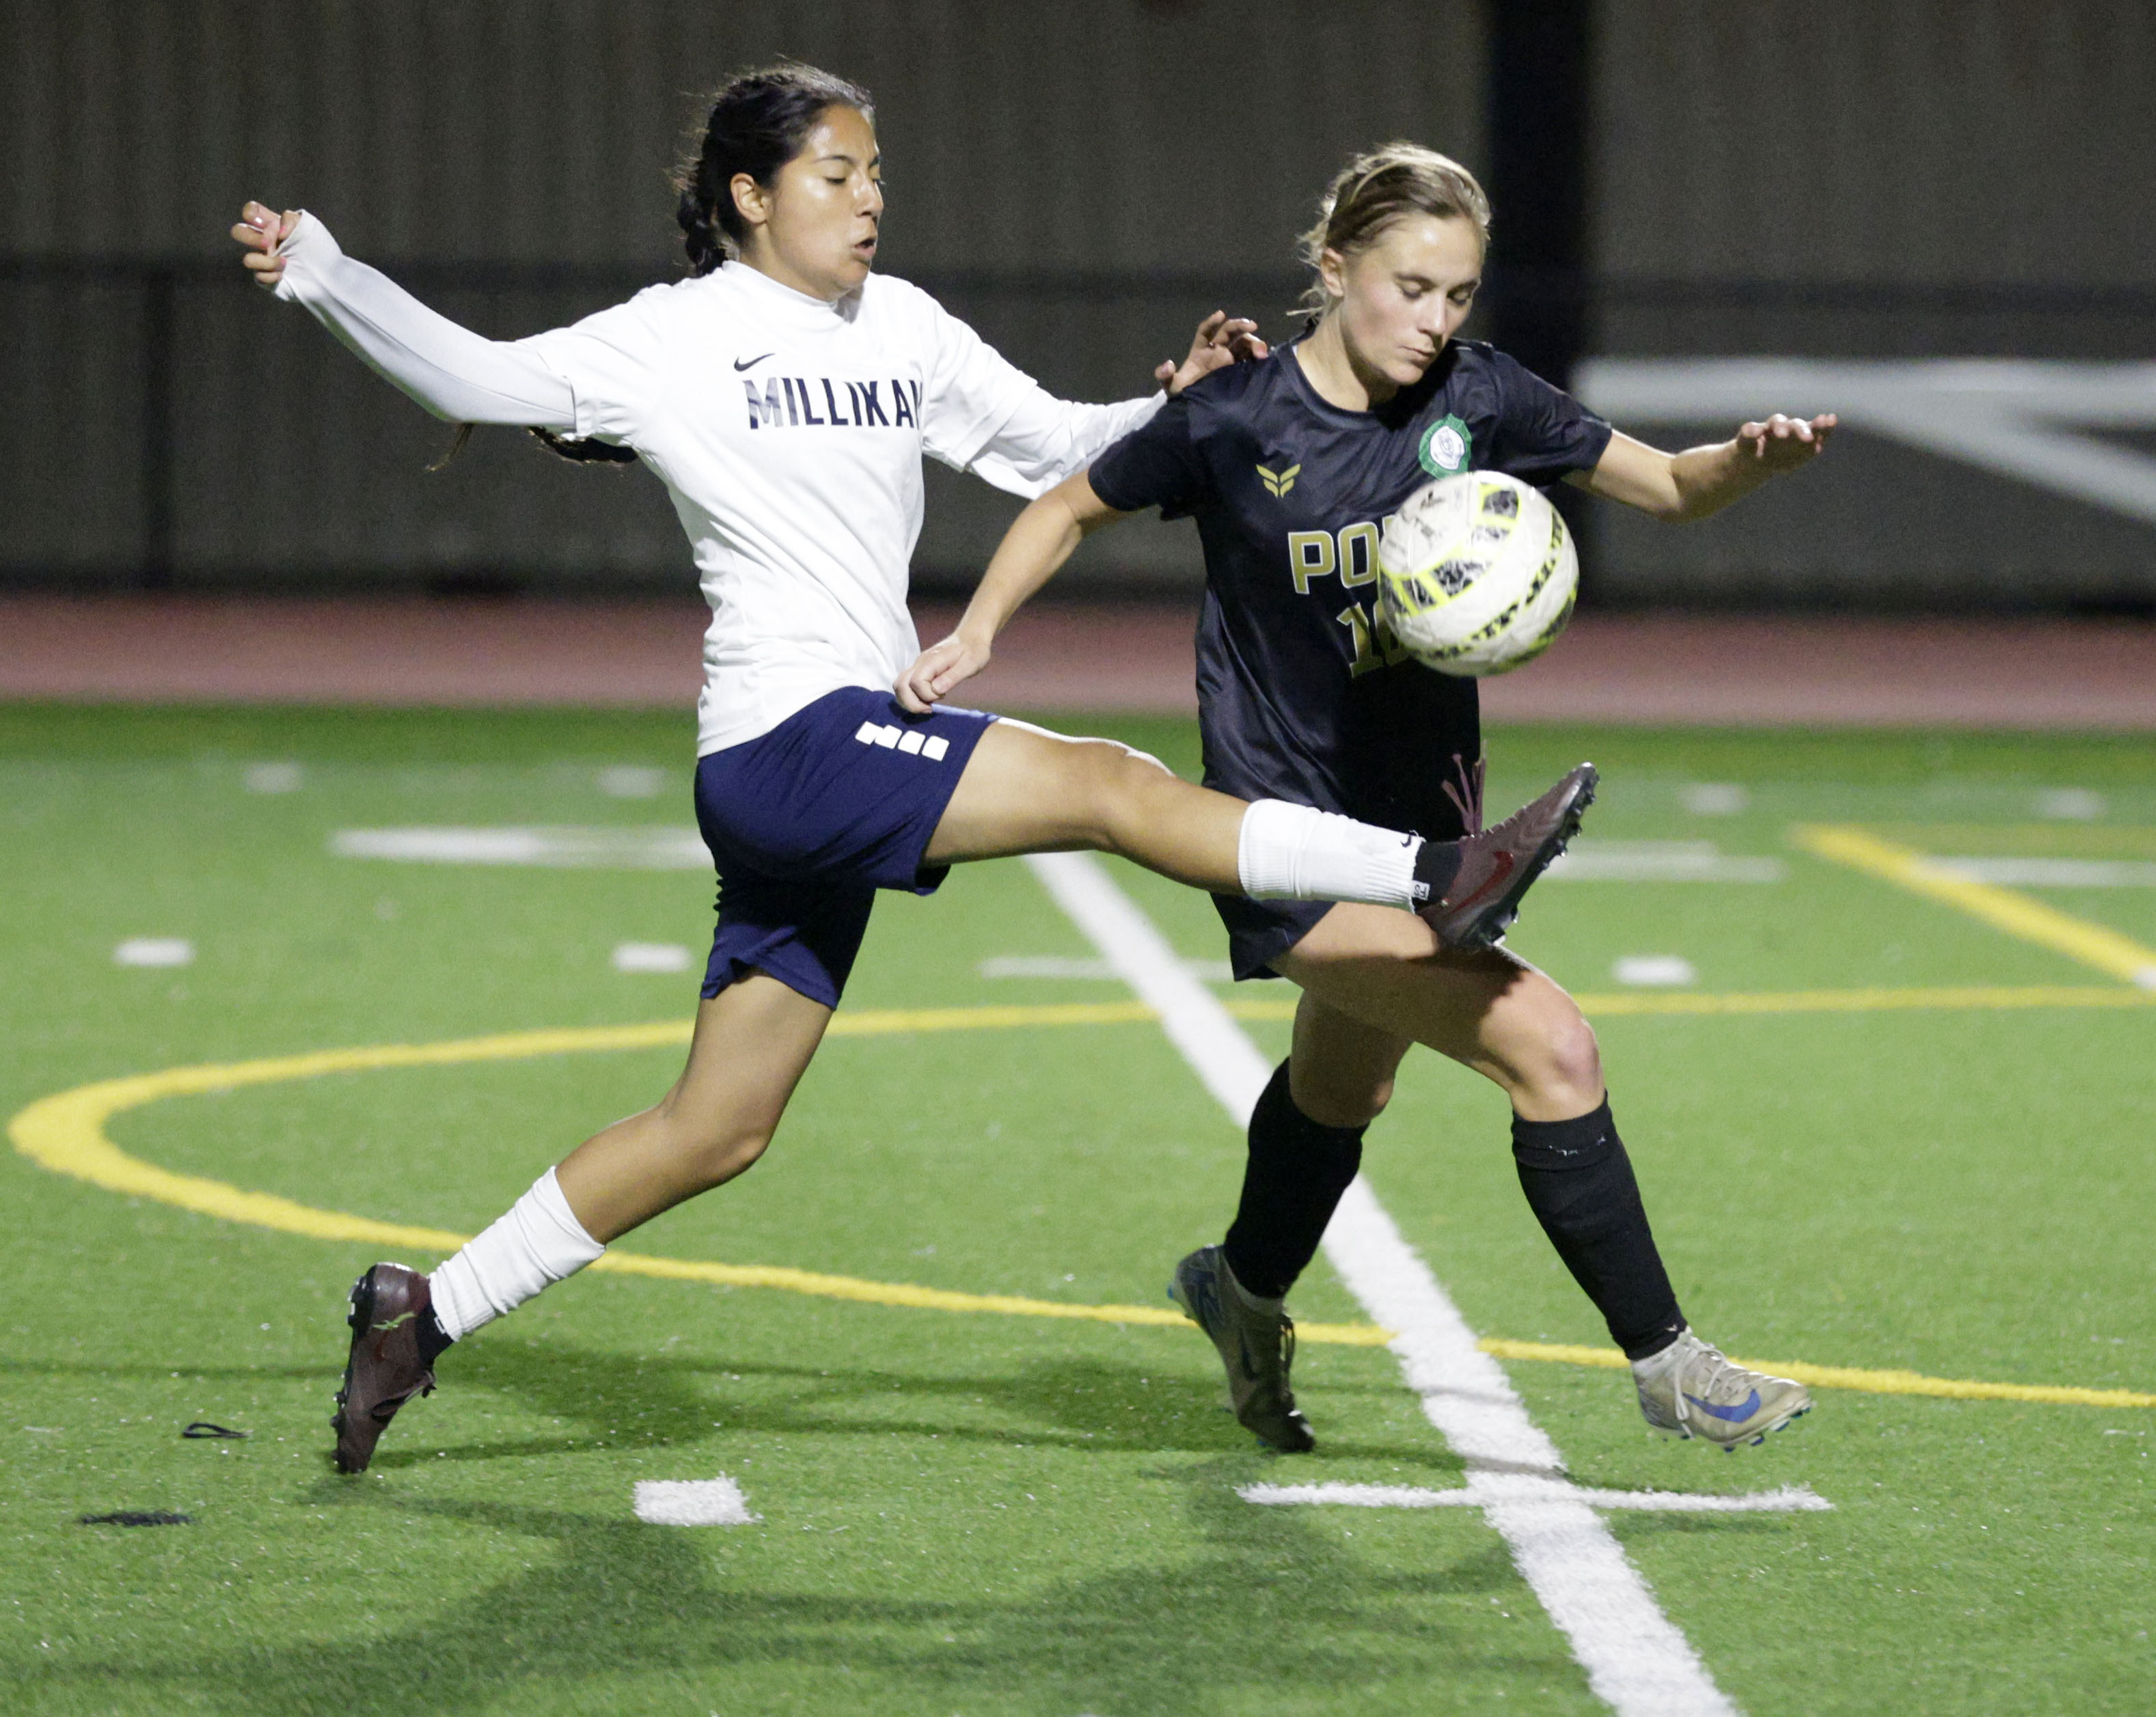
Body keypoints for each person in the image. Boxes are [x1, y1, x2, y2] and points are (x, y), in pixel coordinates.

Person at [234, 72, 1592, 1474]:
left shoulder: (902, 326)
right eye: (836, 174)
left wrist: (1173, 400)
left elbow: (1056, 445)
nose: (869, 196)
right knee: (1109, 786)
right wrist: (323, 272)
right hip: (787, 739)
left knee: (716, 1129)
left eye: (875, 171)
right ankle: (1431, 870)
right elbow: (471, 374)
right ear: (750, 195)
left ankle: (423, 1313)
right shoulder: (671, 337)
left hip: (824, 762)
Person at [901, 142, 1838, 1454]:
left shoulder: (1480, 396)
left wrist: (1746, 460)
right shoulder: (1238, 419)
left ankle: (1239, 1291)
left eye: (1459, 294)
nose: (1436, 320)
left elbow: (1673, 487)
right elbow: (1067, 506)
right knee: (1552, 1047)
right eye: (1411, 288)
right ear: (1336, 270)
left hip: (1429, 833)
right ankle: (1669, 1364)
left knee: (1343, 1090)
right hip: (1285, 839)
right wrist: (978, 630)